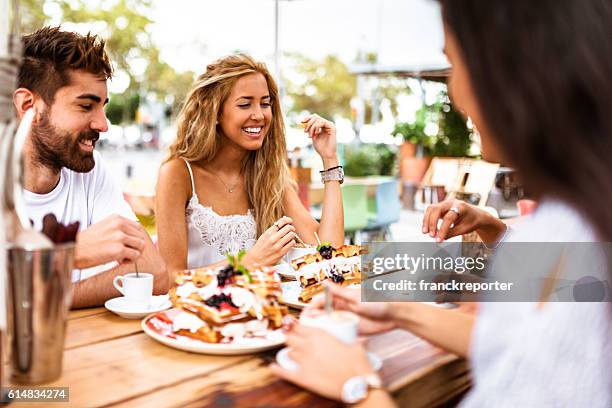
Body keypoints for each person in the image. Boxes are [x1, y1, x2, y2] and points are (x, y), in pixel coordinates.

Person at [270, 1, 612, 406]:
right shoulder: (583, 215)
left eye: (454, 63)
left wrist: (357, 386)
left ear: (511, 72)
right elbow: (524, 338)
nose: (454, 91)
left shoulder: (573, 228)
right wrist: (401, 313)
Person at [13, 27, 168, 308]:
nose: (103, 124)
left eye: (102, 107)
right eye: (86, 106)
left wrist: (46, 295)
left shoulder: (91, 169)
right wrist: (66, 255)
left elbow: (153, 272)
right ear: (28, 106)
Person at [156, 54, 344, 276]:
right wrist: (248, 262)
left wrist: (329, 159)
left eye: (265, 104)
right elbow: (169, 278)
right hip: (198, 310)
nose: (259, 115)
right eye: (245, 104)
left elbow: (328, 253)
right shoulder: (178, 173)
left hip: (264, 309)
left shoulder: (270, 176)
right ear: (215, 112)